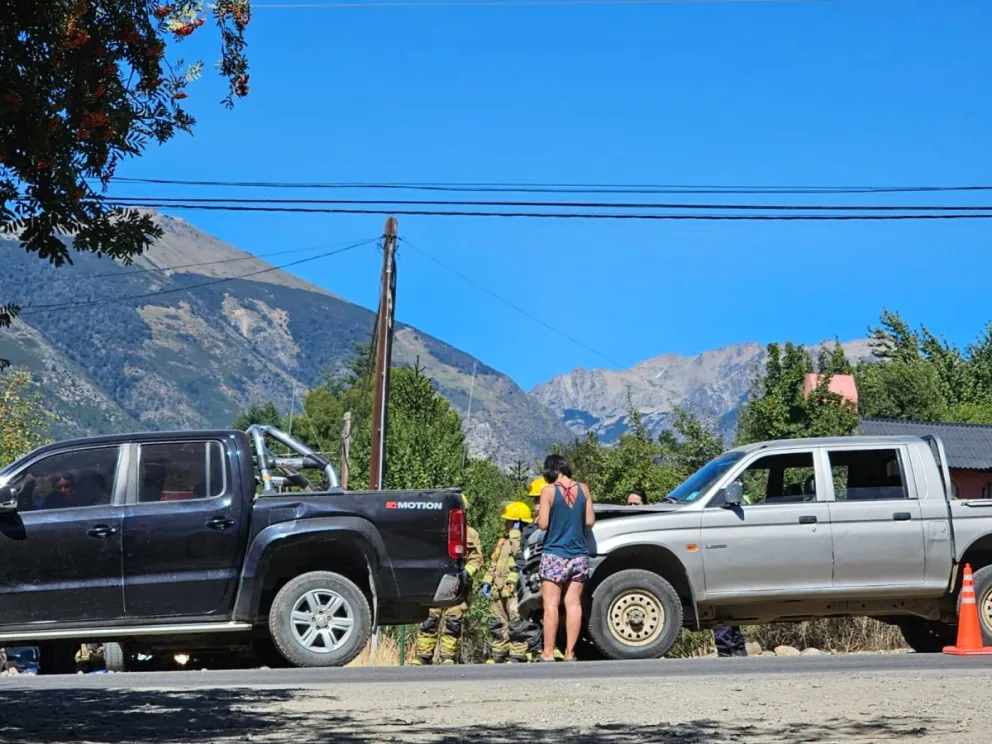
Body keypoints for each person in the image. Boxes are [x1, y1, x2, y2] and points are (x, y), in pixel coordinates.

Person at [411, 493, 484, 665]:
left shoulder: (470, 534)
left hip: (458, 585)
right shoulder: (435, 531)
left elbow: (477, 558)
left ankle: (448, 657)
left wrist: (466, 572)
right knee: (429, 619)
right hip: (435, 583)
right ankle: (423, 656)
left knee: (453, 622)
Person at [536, 454, 594, 662]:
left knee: (551, 604)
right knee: (573, 604)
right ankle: (570, 653)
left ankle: (548, 652)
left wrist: (541, 516)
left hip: (554, 553)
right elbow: (589, 521)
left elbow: (543, 524)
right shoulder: (584, 489)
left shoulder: (548, 491)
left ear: (550, 471)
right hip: (578, 554)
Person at [481, 501, 532, 663]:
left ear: (517, 522)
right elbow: (494, 563)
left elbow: (521, 556)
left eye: (509, 521)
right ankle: (499, 654)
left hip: (514, 590)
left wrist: (516, 535)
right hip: (498, 589)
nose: (505, 524)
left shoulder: (523, 540)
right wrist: (487, 581)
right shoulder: (502, 541)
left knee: (516, 622)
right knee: (498, 623)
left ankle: (517, 654)